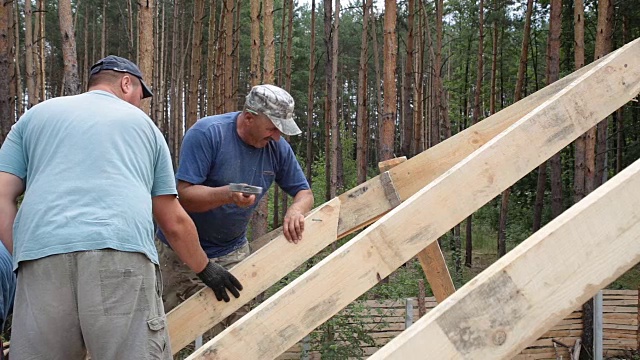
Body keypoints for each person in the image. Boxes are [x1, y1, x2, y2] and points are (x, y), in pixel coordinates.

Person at [0, 55, 242, 359]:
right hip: (120, 257)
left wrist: (23, 254)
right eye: (141, 95)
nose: (141, 104)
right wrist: (205, 268)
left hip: (40, 262)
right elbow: (173, 220)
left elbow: (2, 197)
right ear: (127, 83)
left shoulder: (34, 117)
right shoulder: (144, 127)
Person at [157, 84, 314, 312]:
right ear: (249, 118)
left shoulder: (276, 147)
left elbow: (305, 193)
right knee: (175, 331)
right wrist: (226, 194)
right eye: (272, 128)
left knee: (237, 333)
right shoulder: (208, 134)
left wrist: (297, 210)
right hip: (181, 253)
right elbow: (183, 196)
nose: (278, 136)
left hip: (232, 251)